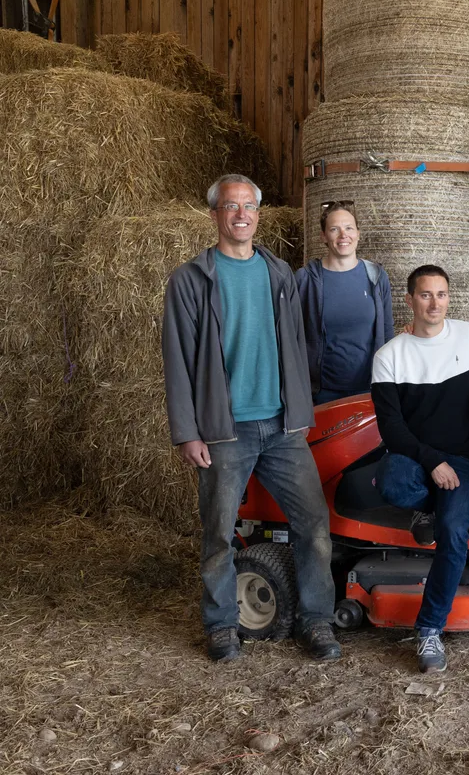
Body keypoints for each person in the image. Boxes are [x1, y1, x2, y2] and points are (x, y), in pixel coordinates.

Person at [162, 174, 340, 663]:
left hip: (281, 427)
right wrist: (187, 432)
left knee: (313, 525)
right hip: (224, 431)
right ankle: (221, 626)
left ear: (258, 215)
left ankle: (316, 621)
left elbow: (298, 347)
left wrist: (301, 410)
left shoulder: (280, 273)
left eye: (249, 207)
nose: (241, 215)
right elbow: (176, 358)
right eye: (231, 206)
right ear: (216, 214)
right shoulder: (192, 278)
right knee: (218, 531)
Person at [370, 265, 469, 673]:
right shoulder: (390, 356)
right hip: (417, 459)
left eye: (441, 294)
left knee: (454, 535)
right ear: (410, 299)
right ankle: (429, 504)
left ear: (449, 298)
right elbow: (391, 430)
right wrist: (432, 463)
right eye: (425, 295)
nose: (434, 303)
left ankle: (430, 628)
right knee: (391, 480)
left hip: (463, 462)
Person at [295, 200, 395, 405]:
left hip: (369, 389)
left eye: (349, 228)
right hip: (320, 393)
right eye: (334, 229)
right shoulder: (306, 279)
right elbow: (291, 334)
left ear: (358, 232)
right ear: (323, 235)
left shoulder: (376, 276)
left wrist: (388, 382)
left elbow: (387, 332)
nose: (343, 235)